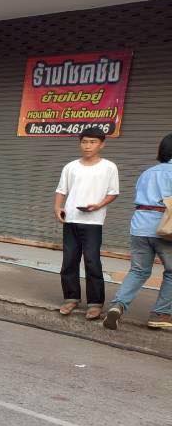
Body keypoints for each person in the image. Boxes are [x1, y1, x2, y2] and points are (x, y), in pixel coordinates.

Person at [104, 133, 172, 331]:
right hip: (166, 228)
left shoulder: (148, 172)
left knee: (138, 270)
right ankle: (161, 314)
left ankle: (117, 306)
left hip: (140, 226)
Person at [54, 127, 120, 320]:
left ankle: (95, 303)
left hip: (93, 222)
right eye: (84, 142)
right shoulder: (71, 167)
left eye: (92, 142)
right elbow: (61, 190)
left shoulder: (109, 167)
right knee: (69, 261)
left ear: (102, 144)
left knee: (92, 261)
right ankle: (71, 298)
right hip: (71, 219)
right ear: (80, 143)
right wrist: (57, 208)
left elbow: (113, 192)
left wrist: (99, 205)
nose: (88, 146)